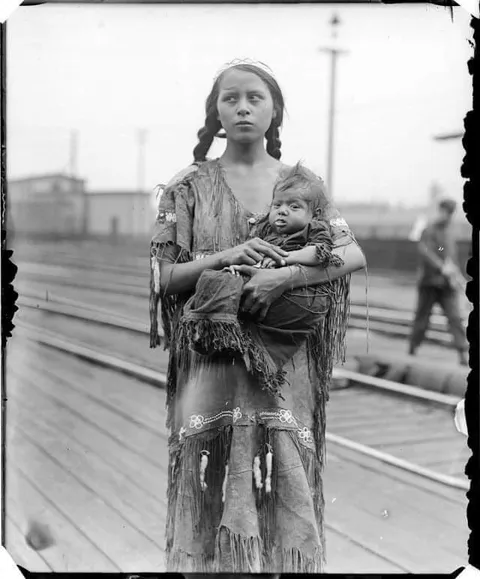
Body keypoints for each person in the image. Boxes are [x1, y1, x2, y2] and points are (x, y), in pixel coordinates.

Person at [149, 59, 366, 574]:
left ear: (275, 111)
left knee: (286, 485)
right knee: (207, 486)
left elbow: (350, 253)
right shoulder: (187, 186)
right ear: (216, 111)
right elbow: (164, 277)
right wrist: (225, 257)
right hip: (211, 366)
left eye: (255, 98)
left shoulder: (302, 184)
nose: (243, 107)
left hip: (284, 368)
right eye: (231, 98)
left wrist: (286, 276)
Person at [176, 162, 344, 400]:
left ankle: (233, 339)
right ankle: (211, 331)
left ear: (312, 215)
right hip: (263, 282)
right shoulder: (267, 232)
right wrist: (238, 268)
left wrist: (285, 259)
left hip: (296, 293)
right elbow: (255, 260)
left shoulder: (314, 229)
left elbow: (320, 253)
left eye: (294, 206)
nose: (282, 211)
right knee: (213, 279)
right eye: (277, 205)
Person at [408, 197, 468, 365]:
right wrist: (441, 266)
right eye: (446, 213)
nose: (447, 216)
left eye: (450, 214)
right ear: (440, 211)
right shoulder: (429, 231)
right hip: (429, 283)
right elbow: (425, 250)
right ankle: (413, 346)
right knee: (422, 318)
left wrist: (454, 271)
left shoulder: (448, 233)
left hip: (446, 285)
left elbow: (448, 253)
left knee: (455, 318)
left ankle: (462, 352)